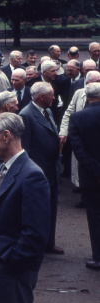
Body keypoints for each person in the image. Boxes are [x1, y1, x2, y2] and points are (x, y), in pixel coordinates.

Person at [0, 112, 50, 303]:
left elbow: (35, 234)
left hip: (12, 271)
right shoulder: (3, 168)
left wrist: (9, 261)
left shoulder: (32, 175)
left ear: (6, 136)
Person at [19, 82, 63, 254]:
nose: (54, 97)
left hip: (51, 169)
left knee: (51, 207)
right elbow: (26, 148)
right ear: (41, 96)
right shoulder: (26, 115)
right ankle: (36, 244)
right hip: (38, 171)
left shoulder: (48, 111)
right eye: (52, 94)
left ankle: (48, 243)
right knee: (37, 210)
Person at [69, 82, 100, 270]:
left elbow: (78, 150)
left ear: (86, 96)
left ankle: (98, 257)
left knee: (95, 217)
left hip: (90, 177)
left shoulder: (77, 117)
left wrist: (96, 172)